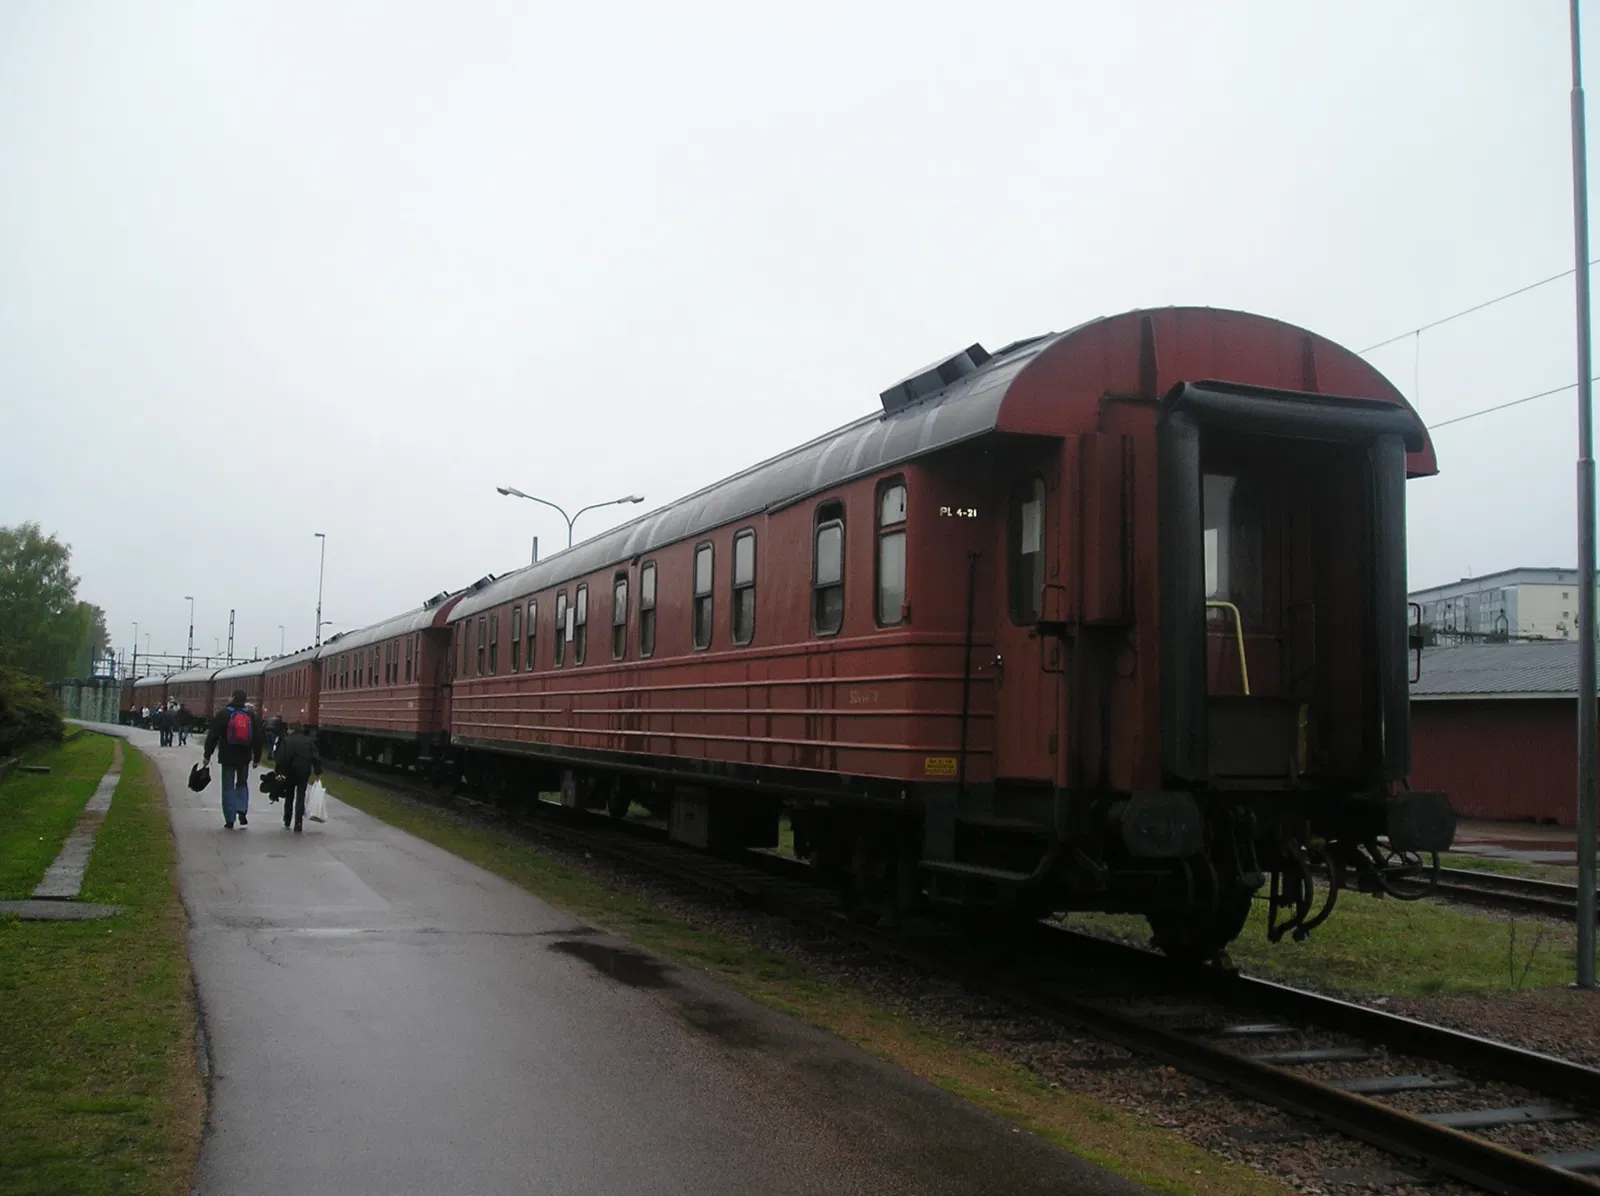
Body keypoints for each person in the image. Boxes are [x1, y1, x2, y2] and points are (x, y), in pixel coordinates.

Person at [203, 688, 263, 829]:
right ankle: (242, 810)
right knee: (242, 783)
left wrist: (207, 755)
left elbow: (213, 736)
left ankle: (229, 819)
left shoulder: (223, 714)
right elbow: (257, 738)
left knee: (228, 787)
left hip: (227, 757)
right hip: (244, 757)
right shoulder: (251, 715)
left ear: (232, 698)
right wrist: (257, 757)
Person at [272, 723, 322, 832]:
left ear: (291, 730)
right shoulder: (309, 741)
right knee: (301, 796)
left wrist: (279, 772)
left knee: (289, 796)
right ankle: (298, 823)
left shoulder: (287, 741)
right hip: (304, 772)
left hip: (290, 772)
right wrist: (317, 772)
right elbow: (316, 758)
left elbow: (281, 758)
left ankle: (287, 819)